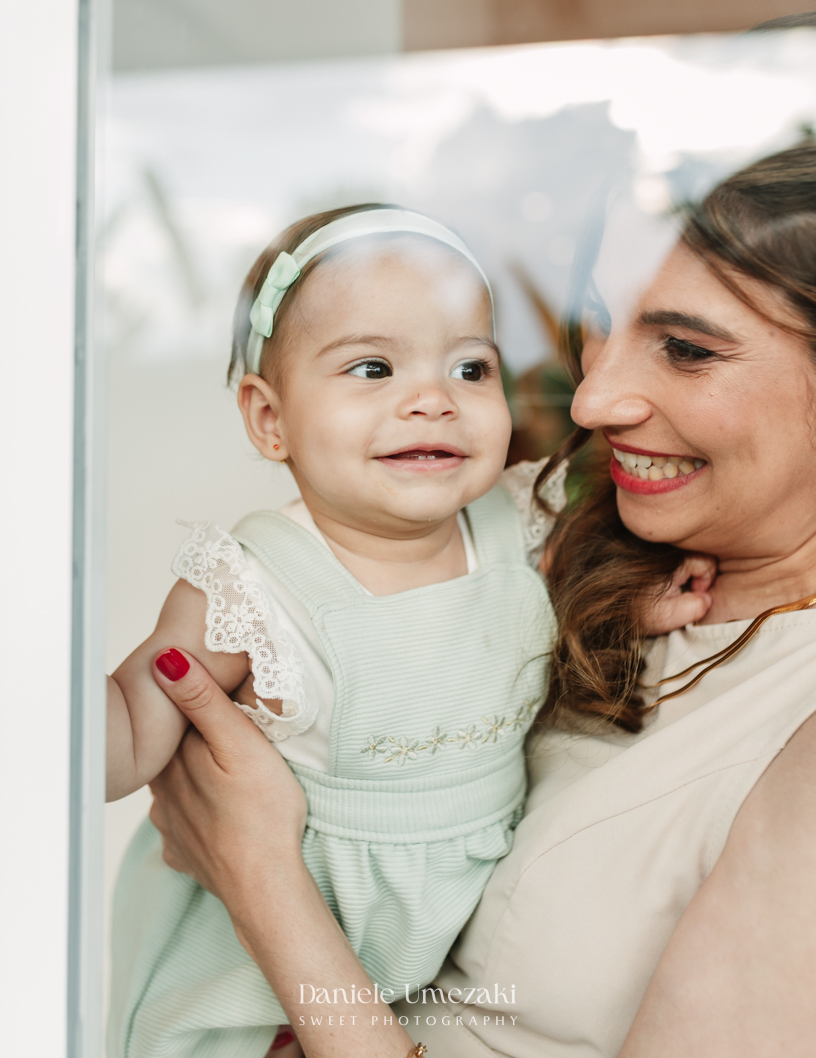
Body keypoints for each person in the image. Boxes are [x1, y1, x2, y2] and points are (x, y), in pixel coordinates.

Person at [146, 144, 816, 1057]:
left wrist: (261, 877)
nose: (590, 400)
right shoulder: (531, 536)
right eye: (595, 324)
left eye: (687, 349)